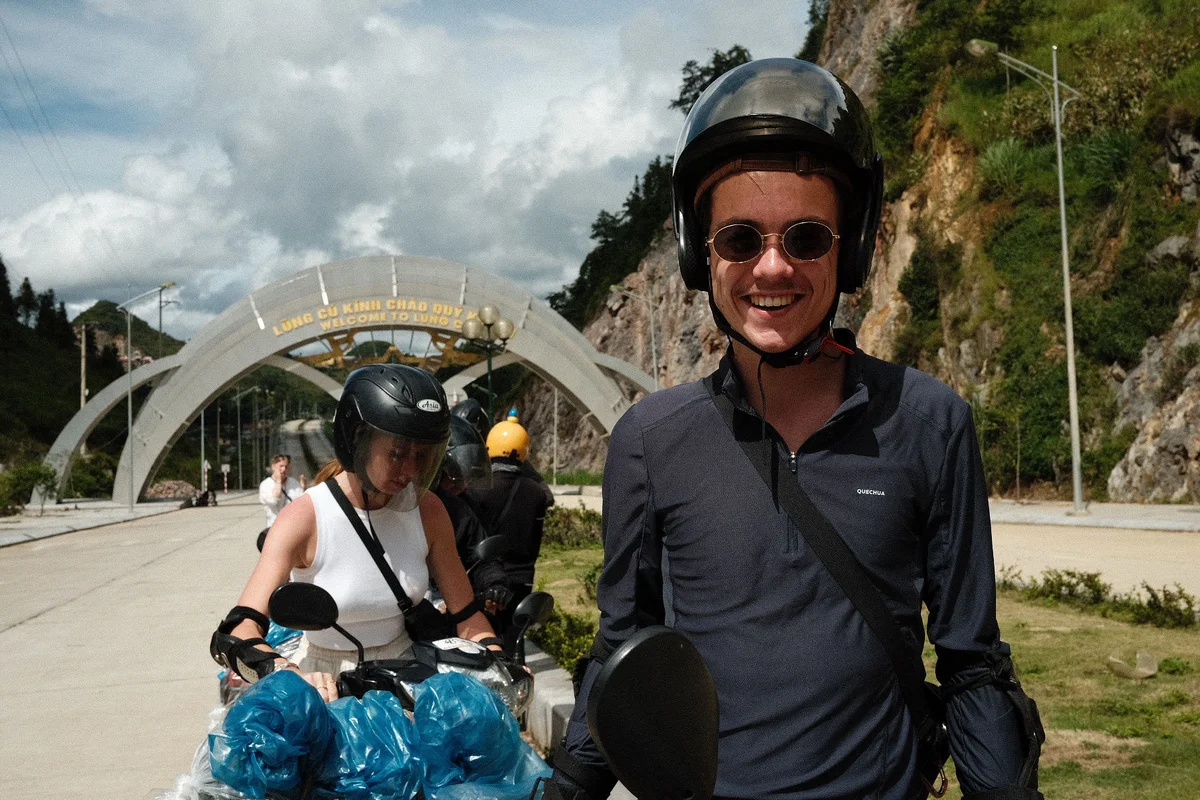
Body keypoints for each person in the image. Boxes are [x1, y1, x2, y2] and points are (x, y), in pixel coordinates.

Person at [553, 59, 1044, 800]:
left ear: (852, 245)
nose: (773, 268)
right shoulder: (650, 439)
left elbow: (972, 661)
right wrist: (566, 788)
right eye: (740, 240)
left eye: (808, 238)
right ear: (699, 252)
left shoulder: (929, 421)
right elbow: (623, 651)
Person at [211, 364, 503, 701]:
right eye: (397, 454)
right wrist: (281, 670)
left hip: (407, 683)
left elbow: (466, 615)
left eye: (422, 456)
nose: (411, 471)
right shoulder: (304, 517)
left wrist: (497, 660)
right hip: (323, 686)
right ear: (356, 440)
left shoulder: (429, 511)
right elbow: (238, 629)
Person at [468, 411, 554, 636]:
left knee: (486, 641)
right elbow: (548, 496)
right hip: (522, 581)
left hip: (486, 583)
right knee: (514, 641)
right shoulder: (536, 493)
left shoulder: (476, 489)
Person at [434, 415, 512, 616]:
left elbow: (480, 554)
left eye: (465, 478)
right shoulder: (401, 508)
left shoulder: (460, 510)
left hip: (451, 609)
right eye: (453, 476)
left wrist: (495, 585)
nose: (460, 486)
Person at [258, 453, 306, 527]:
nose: (283, 469)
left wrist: (303, 488)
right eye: (281, 466)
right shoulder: (265, 484)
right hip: (274, 526)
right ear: (273, 467)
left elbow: (302, 503)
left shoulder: (293, 482)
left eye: (286, 467)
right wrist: (278, 482)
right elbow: (273, 501)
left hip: (293, 526)